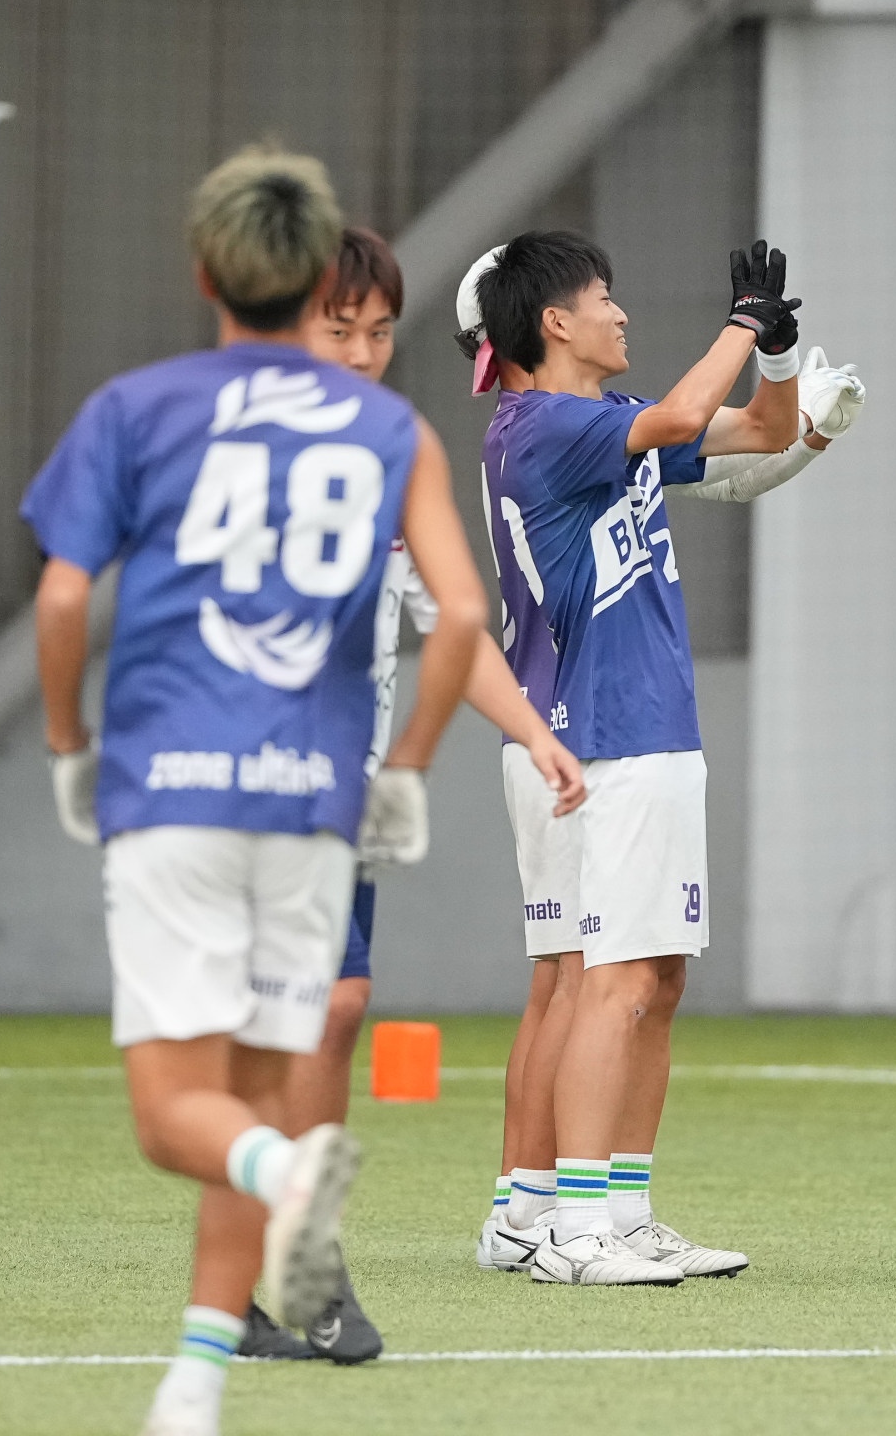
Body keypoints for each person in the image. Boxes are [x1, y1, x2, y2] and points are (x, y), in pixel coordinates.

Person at [26, 146, 505, 1436]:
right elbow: (462, 616)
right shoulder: (391, 429)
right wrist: (407, 771)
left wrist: (68, 742)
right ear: (313, 286)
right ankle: (195, 1385)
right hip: (314, 806)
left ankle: (287, 1176)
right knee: (247, 1087)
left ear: (207, 274)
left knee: (178, 1117)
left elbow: (63, 597)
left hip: (174, 794)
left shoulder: (137, 406)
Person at [467, 236, 865, 1280]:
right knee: (618, 980)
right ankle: (580, 1228)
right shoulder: (553, 423)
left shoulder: (584, 424)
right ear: (553, 321)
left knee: (614, 979)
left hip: (585, 730)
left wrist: (778, 357)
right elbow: (691, 416)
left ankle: (557, 1211)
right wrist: (743, 320)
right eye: (603, 296)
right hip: (612, 732)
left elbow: (761, 431)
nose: (620, 312)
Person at [236, 228, 586, 1362]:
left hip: (343, 790)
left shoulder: (393, 460)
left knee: (334, 1011)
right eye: (338, 329)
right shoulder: (229, 447)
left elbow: (453, 623)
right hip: (241, 780)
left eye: (380, 332)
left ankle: (295, 1261)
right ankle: (265, 1271)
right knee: (299, 1016)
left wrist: (533, 731)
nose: (362, 351)